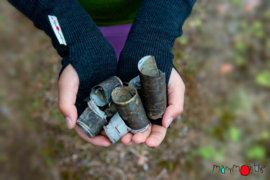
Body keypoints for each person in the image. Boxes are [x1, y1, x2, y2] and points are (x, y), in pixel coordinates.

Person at [8, 0, 196, 148]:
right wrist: (68, 26)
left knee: (126, 51)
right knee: (106, 55)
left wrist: (156, 33)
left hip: (144, 16)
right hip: (75, 18)